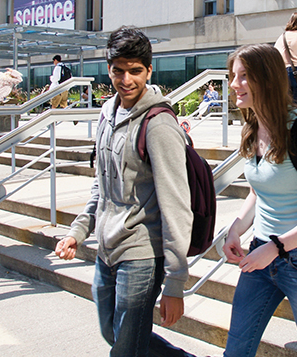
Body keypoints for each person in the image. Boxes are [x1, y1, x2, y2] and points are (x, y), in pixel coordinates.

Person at [54, 26, 193, 357]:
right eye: (119, 70)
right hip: (106, 247)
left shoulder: (158, 124)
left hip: (142, 253)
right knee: (113, 332)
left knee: (126, 349)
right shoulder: (108, 113)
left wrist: (175, 283)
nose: (126, 80)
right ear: (109, 68)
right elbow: (101, 182)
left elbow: (177, 205)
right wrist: (79, 230)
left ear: (148, 70)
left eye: (135, 71)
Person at [223, 43, 297, 357]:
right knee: (236, 351)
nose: (235, 84)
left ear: (268, 80)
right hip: (259, 257)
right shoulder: (251, 129)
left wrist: (277, 247)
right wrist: (235, 229)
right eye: (235, 76)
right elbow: (257, 193)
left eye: (244, 77)